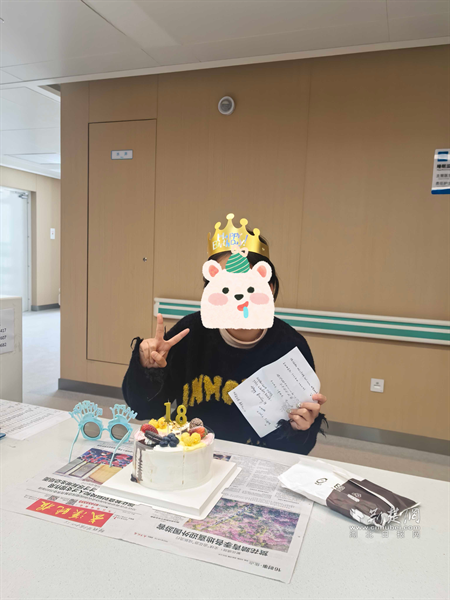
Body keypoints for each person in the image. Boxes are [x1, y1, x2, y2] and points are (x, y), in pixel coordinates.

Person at [123, 224, 327, 455]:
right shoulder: (189, 333)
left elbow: (296, 449)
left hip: (256, 459)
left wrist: (301, 428)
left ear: (269, 288)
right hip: (193, 454)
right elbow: (143, 410)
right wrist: (147, 368)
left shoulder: (290, 347)